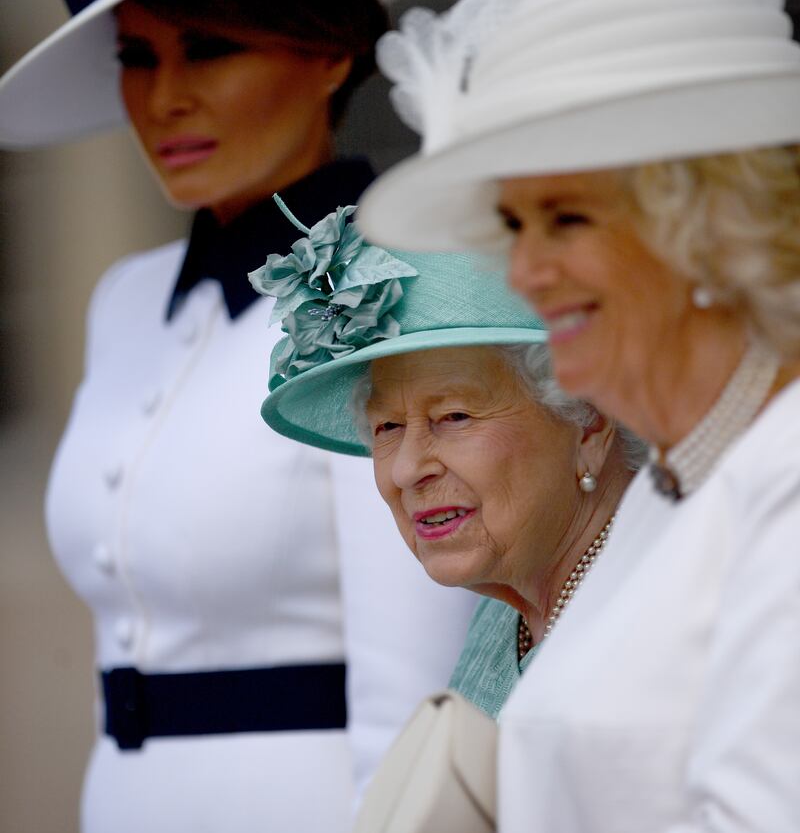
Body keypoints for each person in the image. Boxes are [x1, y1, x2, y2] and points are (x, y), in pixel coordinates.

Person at [0, 0, 489, 833]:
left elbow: (415, 676)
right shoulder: (123, 305)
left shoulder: (398, 276)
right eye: (136, 56)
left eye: (208, 47)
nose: (163, 97)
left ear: (326, 53)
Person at [350, 0, 800, 833]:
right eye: (513, 222)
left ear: (700, 225)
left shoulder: (782, 479)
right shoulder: (670, 487)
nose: (526, 269)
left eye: (565, 218)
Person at [252, 229, 643, 720]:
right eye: (388, 426)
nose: (407, 469)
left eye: (454, 417)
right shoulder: (507, 612)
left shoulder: (664, 603)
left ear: (589, 424)